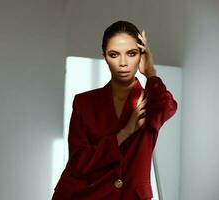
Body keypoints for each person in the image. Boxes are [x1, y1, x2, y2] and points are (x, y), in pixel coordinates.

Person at [51, 20, 177, 200]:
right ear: (105, 57)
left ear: (141, 55)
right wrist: (123, 134)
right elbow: (77, 163)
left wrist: (150, 72)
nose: (123, 63)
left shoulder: (152, 101)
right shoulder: (84, 103)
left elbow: (169, 106)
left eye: (132, 53)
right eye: (114, 54)